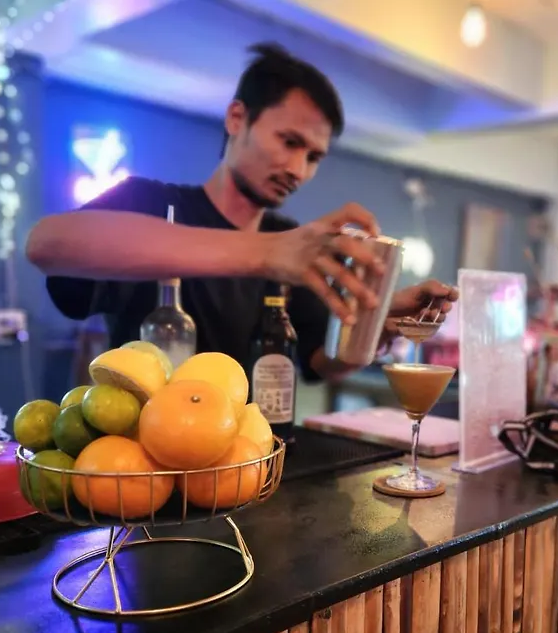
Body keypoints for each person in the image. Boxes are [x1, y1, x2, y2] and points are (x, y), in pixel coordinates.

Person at [26, 42, 457, 383]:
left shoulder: (290, 240)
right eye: (289, 142)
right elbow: (45, 244)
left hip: (252, 459)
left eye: (313, 157)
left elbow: (319, 361)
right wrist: (266, 253)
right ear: (237, 118)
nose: (298, 169)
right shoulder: (150, 202)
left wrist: (372, 322)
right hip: (145, 457)